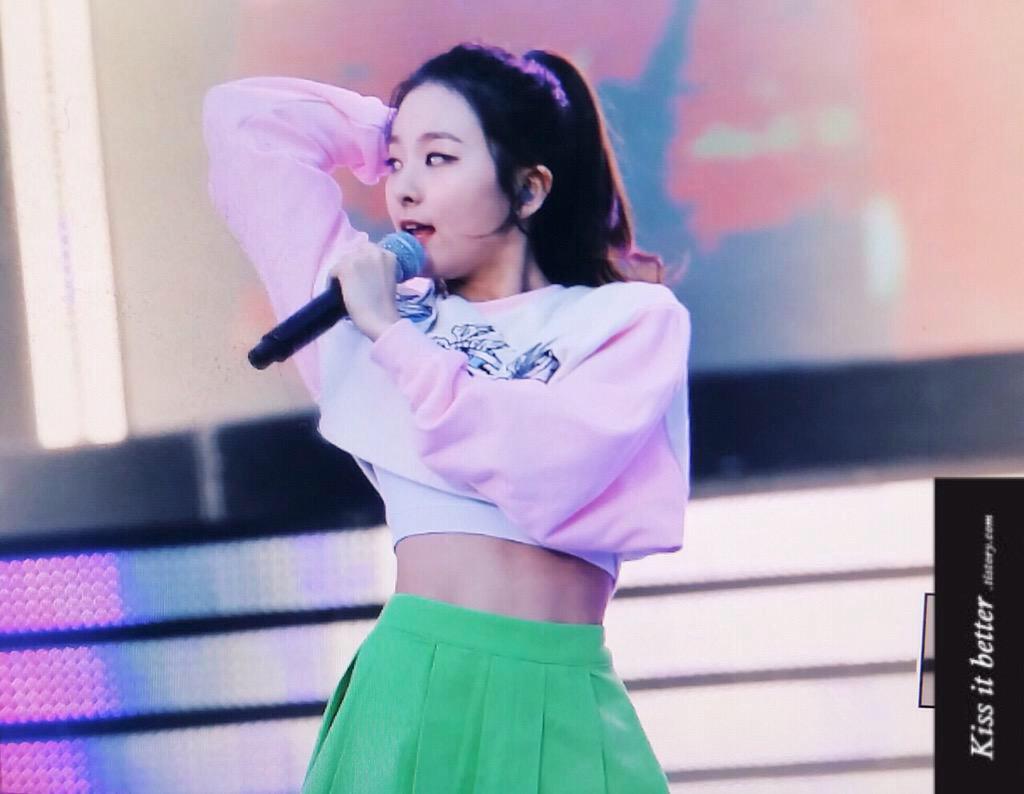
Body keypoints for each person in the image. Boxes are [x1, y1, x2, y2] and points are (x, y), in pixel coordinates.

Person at [203, 41, 690, 794]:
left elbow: (546, 469)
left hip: (560, 695)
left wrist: (396, 341)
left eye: (439, 159)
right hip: (410, 691)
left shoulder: (626, 320)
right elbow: (244, 122)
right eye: (398, 165)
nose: (404, 189)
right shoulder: (368, 310)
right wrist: (394, 129)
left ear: (528, 189)